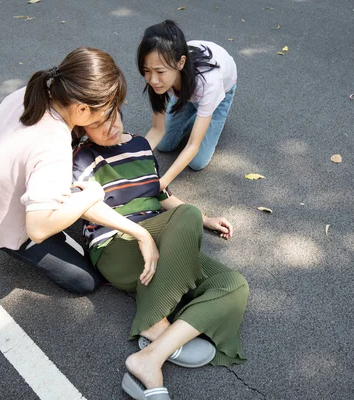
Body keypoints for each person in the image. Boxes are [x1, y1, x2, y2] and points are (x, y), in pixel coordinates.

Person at [72, 111, 248, 399]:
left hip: (159, 239)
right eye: (96, 124)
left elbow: (160, 193)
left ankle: (152, 356)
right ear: (81, 127)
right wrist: (143, 233)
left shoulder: (140, 144)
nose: (110, 127)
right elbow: (83, 206)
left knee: (233, 284)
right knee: (186, 215)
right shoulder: (81, 156)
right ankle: (155, 320)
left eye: (112, 116)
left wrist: (205, 218)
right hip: (116, 246)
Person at [0, 47, 137, 294]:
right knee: (86, 281)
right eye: (106, 110)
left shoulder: (31, 93)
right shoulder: (54, 144)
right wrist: (92, 194)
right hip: (3, 221)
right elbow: (38, 229)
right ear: (82, 109)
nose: (109, 117)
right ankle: (13, 243)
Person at [137, 20, 237, 189]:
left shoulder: (209, 82)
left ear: (180, 63)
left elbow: (192, 145)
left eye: (160, 71)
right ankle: (199, 115)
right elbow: (157, 130)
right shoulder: (159, 75)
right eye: (147, 71)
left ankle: (208, 115)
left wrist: (162, 183)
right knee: (165, 145)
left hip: (218, 90)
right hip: (184, 89)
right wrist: (131, 159)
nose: (153, 80)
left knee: (197, 162)